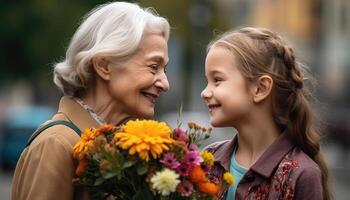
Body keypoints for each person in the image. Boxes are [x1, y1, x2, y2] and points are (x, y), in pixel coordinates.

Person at [12, 2, 170, 200]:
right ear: (104, 65)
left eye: (165, 70)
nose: (165, 83)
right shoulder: (56, 144)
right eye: (153, 67)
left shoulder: (119, 149)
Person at [201, 27, 331, 200]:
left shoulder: (301, 175)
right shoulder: (209, 159)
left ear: (260, 88)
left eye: (217, 80)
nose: (204, 93)